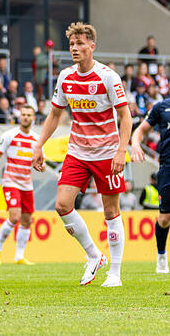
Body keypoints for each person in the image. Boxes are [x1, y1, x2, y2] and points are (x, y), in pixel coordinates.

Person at [32, 23, 135, 287]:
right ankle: (94, 255)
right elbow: (55, 114)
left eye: (79, 44)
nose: (75, 49)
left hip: (107, 152)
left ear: (92, 46)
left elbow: (125, 116)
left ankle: (115, 274)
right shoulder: (65, 77)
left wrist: (121, 150)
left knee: (111, 211)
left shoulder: (108, 77)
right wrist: (39, 145)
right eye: (71, 44)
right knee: (62, 205)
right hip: (78, 151)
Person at [0, 105, 38, 266]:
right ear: (19, 117)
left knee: (27, 220)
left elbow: (39, 162)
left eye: (29, 115)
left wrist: (40, 166)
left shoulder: (36, 139)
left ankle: (19, 256)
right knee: (14, 217)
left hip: (27, 183)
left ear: (33, 118)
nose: (26, 117)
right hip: (11, 181)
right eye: (23, 114)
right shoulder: (9, 135)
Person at [130, 97, 170, 274]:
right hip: (167, 167)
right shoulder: (161, 107)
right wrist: (135, 144)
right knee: (164, 219)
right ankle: (161, 255)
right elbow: (140, 130)